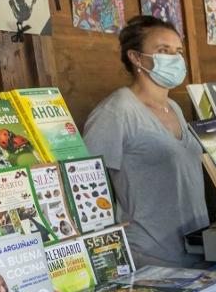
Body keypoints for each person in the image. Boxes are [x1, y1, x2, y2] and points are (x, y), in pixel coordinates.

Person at [84, 15, 208, 267]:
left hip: (198, 252)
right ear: (136, 57)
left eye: (177, 51)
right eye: (163, 50)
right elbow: (83, 180)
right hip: (152, 257)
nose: (174, 58)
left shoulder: (173, 107)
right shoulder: (117, 111)